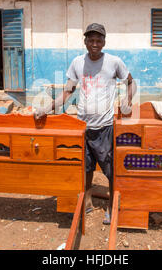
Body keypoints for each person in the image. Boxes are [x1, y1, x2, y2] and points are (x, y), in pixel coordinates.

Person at [34, 23, 136, 224]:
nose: (95, 44)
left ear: (104, 42)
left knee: (110, 168)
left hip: (105, 126)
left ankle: (111, 205)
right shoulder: (77, 63)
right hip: (83, 126)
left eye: (99, 40)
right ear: (85, 42)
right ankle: (87, 201)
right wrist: (47, 108)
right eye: (91, 40)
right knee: (86, 166)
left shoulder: (114, 62)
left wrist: (128, 100)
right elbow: (68, 91)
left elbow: (131, 82)